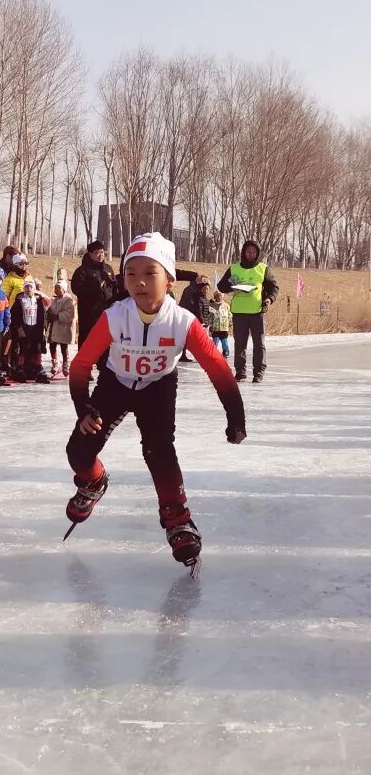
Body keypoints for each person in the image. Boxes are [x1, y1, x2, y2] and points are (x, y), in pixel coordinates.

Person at [63, 232, 246, 576]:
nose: (140, 282)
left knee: (159, 451)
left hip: (158, 388)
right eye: (131, 274)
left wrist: (236, 418)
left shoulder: (183, 322)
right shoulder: (114, 316)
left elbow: (218, 369)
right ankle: (93, 481)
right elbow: (81, 365)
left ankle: (178, 518)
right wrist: (83, 407)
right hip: (115, 384)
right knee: (78, 451)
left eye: (150, 273)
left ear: (170, 279)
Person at [217, 239, 279, 383]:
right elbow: (221, 286)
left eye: (254, 252)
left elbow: (274, 287)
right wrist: (233, 287)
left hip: (257, 311)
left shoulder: (263, 268)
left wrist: (269, 299)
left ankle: (258, 373)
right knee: (239, 344)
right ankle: (240, 372)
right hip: (239, 312)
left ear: (258, 254)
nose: (251, 254)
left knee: (259, 344)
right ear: (244, 252)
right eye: (249, 251)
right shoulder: (234, 268)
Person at [70, 240, 117, 352]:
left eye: (102, 252)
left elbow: (115, 287)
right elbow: (76, 289)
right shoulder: (82, 271)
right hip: (89, 315)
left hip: (108, 313)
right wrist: (95, 287)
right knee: (88, 343)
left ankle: (105, 362)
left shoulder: (108, 269)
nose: (100, 255)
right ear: (90, 254)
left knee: (106, 345)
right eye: (97, 253)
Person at [10, 278, 50, 384]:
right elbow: (14, 315)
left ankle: (37, 367)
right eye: (27, 287)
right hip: (24, 328)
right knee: (23, 348)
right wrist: (18, 328)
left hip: (36, 329)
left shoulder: (38, 300)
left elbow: (43, 315)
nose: (29, 289)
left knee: (37, 349)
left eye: (31, 287)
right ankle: (20, 367)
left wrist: (43, 328)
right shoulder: (20, 300)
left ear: (34, 289)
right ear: (24, 288)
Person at [47, 279, 75, 379]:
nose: (57, 290)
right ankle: (55, 361)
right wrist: (49, 314)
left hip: (63, 327)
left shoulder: (68, 300)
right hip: (54, 327)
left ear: (64, 289)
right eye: (55, 288)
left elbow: (69, 313)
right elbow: (50, 310)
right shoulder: (54, 301)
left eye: (59, 288)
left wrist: (58, 316)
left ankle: (65, 363)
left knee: (64, 346)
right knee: (52, 344)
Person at [210, 291, 232, 359]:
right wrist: (210, 324)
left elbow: (229, 315)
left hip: (224, 327)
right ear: (215, 297)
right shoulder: (212, 305)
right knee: (215, 342)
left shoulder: (226, 305)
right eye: (218, 296)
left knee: (224, 342)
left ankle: (226, 352)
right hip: (215, 327)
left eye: (221, 296)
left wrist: (230, 322)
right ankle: (213, 353)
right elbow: (210, 315)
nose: (219, 297)